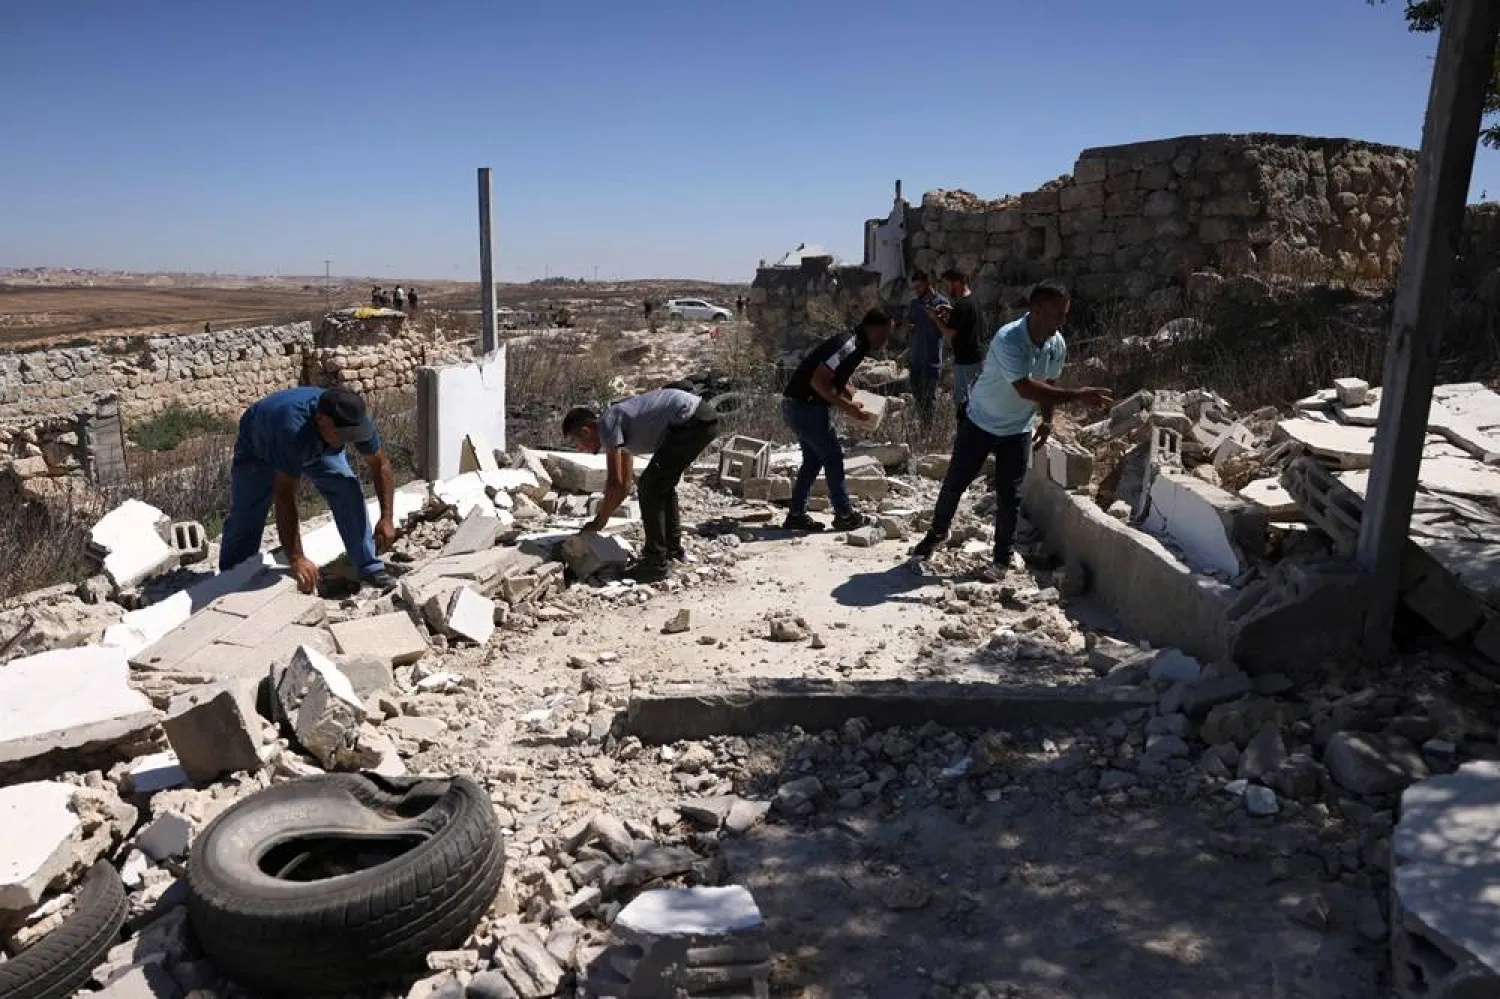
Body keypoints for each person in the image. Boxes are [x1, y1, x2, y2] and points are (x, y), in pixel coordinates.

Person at [908, 281, 1112, 581]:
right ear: (1037, 311)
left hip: (1017, 429)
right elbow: (1026, 388)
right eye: (1058, 315)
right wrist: (1079, 395)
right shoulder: (1008, 339)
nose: (1063, 322)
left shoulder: (1057, 344)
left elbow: (1049, 384)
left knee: (1010, 494)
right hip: (980, 422)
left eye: (1065, 314)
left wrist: (1047, 421)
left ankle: (1001, 559)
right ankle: (935, 535)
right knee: (955, 483)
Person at [219, 386, 399, 594]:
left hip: (315, 442)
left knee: (346, 488)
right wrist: (296, 558)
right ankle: (232, 579)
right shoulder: (290, 430)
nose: (350, 439)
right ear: (321, 420)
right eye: (343, 434)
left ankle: (369, 566)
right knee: (248, 512)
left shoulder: (354, 418)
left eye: (353, 433)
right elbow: (285, 495)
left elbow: (380, 464)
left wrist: (387, 517)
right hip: (260, 442)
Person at [562, 388, 720, 583]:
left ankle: (655, 564)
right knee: (660, 485)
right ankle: (672, 551)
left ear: (586, 431)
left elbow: (615, 483)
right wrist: (602, 518)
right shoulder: (620, 430)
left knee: (650, 487)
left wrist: (599, 521)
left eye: (577, 443)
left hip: (690, 421)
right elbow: (623, 486)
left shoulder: (608, 424)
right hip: (700, 419)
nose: (579, 449)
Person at [779, 308, 893, 533]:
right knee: (833, 458)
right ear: (874, 328)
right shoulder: (848, 344)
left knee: (813, 461)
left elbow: (839, 378)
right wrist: (848, 407)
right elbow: (819, 382)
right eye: (884, 333)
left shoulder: (858, 345)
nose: (885, 339)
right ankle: (844, 515)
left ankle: (796, 515)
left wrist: (855, 396)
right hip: (806, 407)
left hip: (799, 407)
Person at [927, 268, 983, 420]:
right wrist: (949, 310)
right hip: (976, 357)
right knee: (975, 399)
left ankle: (965, 432)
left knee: (963, 402)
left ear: (956, 283)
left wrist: (934, 317)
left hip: (965, 360)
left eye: (947, 285)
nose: (946, 289)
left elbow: (949, 332)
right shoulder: (973, 300)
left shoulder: (961, 305)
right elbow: (964, 320)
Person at [902, 270, 949, 420]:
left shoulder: (942, 303)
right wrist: (908, 325)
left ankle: (929, 436)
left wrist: (935, 318)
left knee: (929, 400)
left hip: (931, 361)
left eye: (919, 287)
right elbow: (908, 322)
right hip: (916, 359)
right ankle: (923, 432)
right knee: (918, 399)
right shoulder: (914, 303)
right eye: (914, 288)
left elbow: (947, 328)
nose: (916, 291)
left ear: (928, 284)